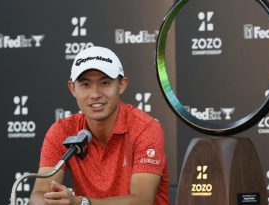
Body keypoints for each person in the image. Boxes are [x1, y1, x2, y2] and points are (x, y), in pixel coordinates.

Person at [29, 46, 169, 205]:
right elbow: (39, 194)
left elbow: (142, 201)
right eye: (85, 84)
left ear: (122, 85)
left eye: (105, 82)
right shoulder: (62, 131)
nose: (95, 94)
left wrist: (80, 203)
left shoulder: (146, 128)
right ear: (72, 88)